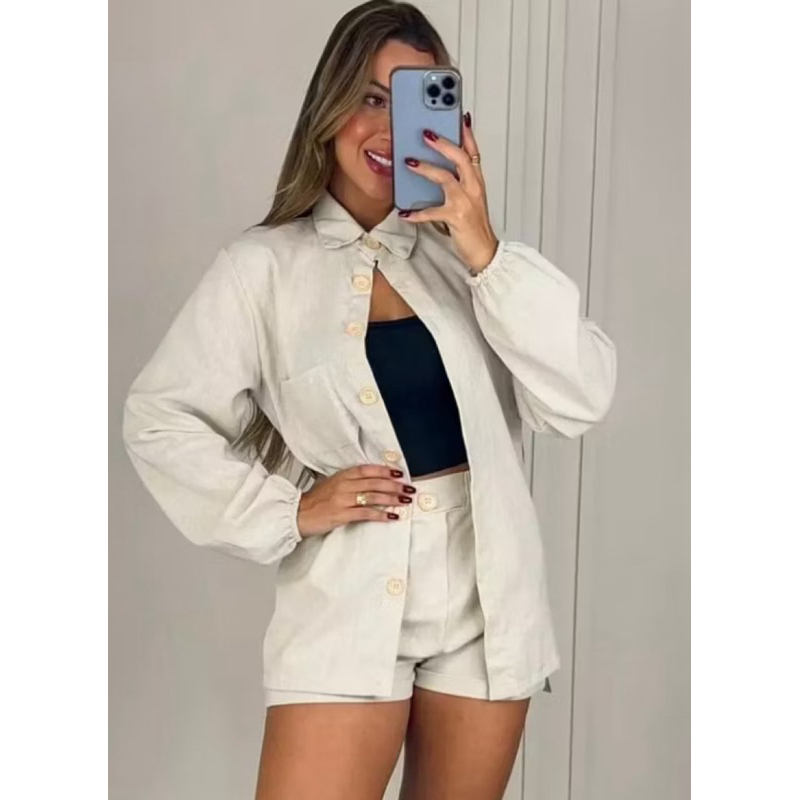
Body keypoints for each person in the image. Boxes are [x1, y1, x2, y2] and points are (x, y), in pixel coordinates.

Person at [121, 1, 617, 797]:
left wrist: (483, 248)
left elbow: (582, 397)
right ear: (329, 108)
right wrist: (290, 511)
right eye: (370, 98)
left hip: (488, 605)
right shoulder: (261, 269)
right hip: (347, 597)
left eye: (414, 101)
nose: (388, 128)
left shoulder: (472, 265)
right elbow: (160, 418)